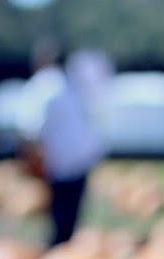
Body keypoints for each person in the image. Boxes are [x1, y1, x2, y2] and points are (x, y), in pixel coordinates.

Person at [16, 37, 105, 247]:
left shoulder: (43, 84)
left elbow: (30, 129)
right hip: (77, 160)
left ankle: (57, 257)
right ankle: (60, 256)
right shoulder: (72, 83)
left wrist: (31, 161)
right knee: (67, 219)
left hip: (59, 162)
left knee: (59, 220)